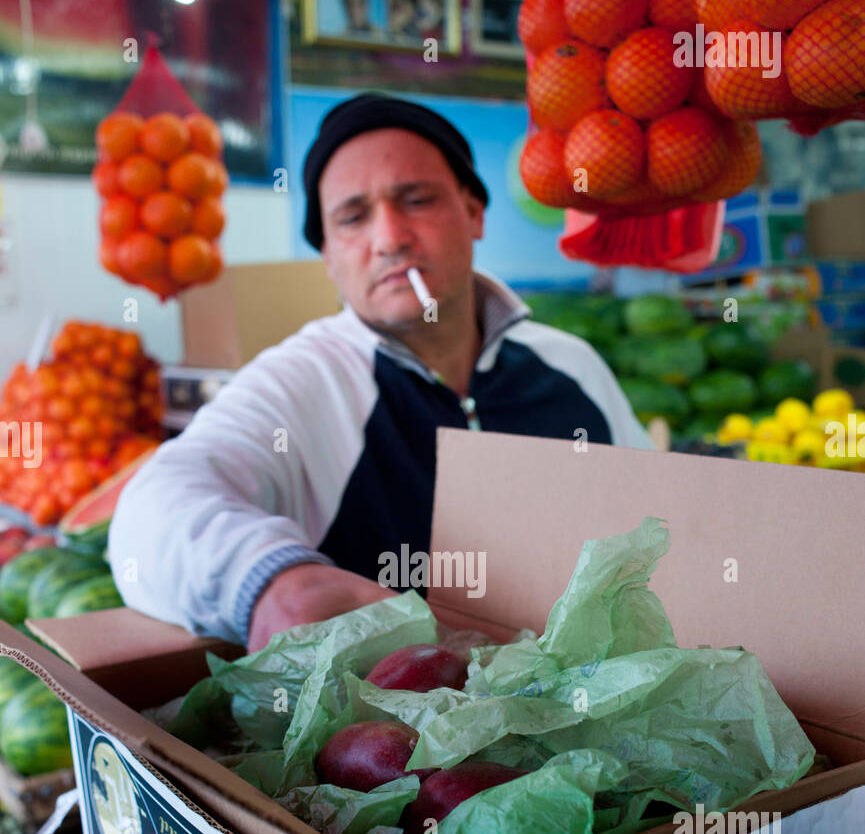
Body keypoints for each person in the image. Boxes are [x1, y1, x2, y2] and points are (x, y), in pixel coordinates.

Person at [108, 94, 651, 652]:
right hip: (399, 737)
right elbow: (154, 511)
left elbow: (656, 519)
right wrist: (275, 580)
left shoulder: (572, 365)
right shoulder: (300, 384)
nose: (390, 238)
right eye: (352, 217)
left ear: (474, 212)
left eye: (417, 200)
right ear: (328, 257)